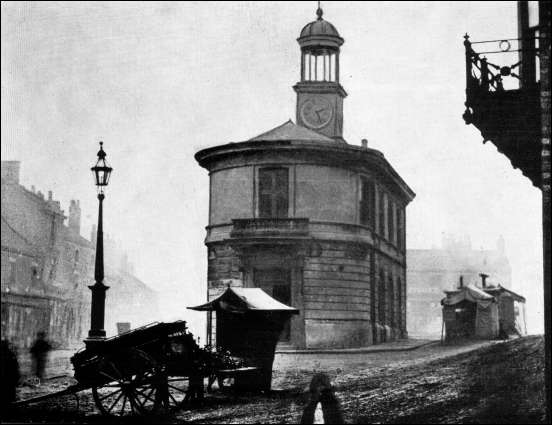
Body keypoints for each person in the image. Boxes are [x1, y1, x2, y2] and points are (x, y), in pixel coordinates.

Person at [0, 339, 20, 408]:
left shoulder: (10, 354)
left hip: (4, 379)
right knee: (10, 394)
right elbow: (15, 367)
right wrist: (17, 378)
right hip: (10, 379)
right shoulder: (11, 354)